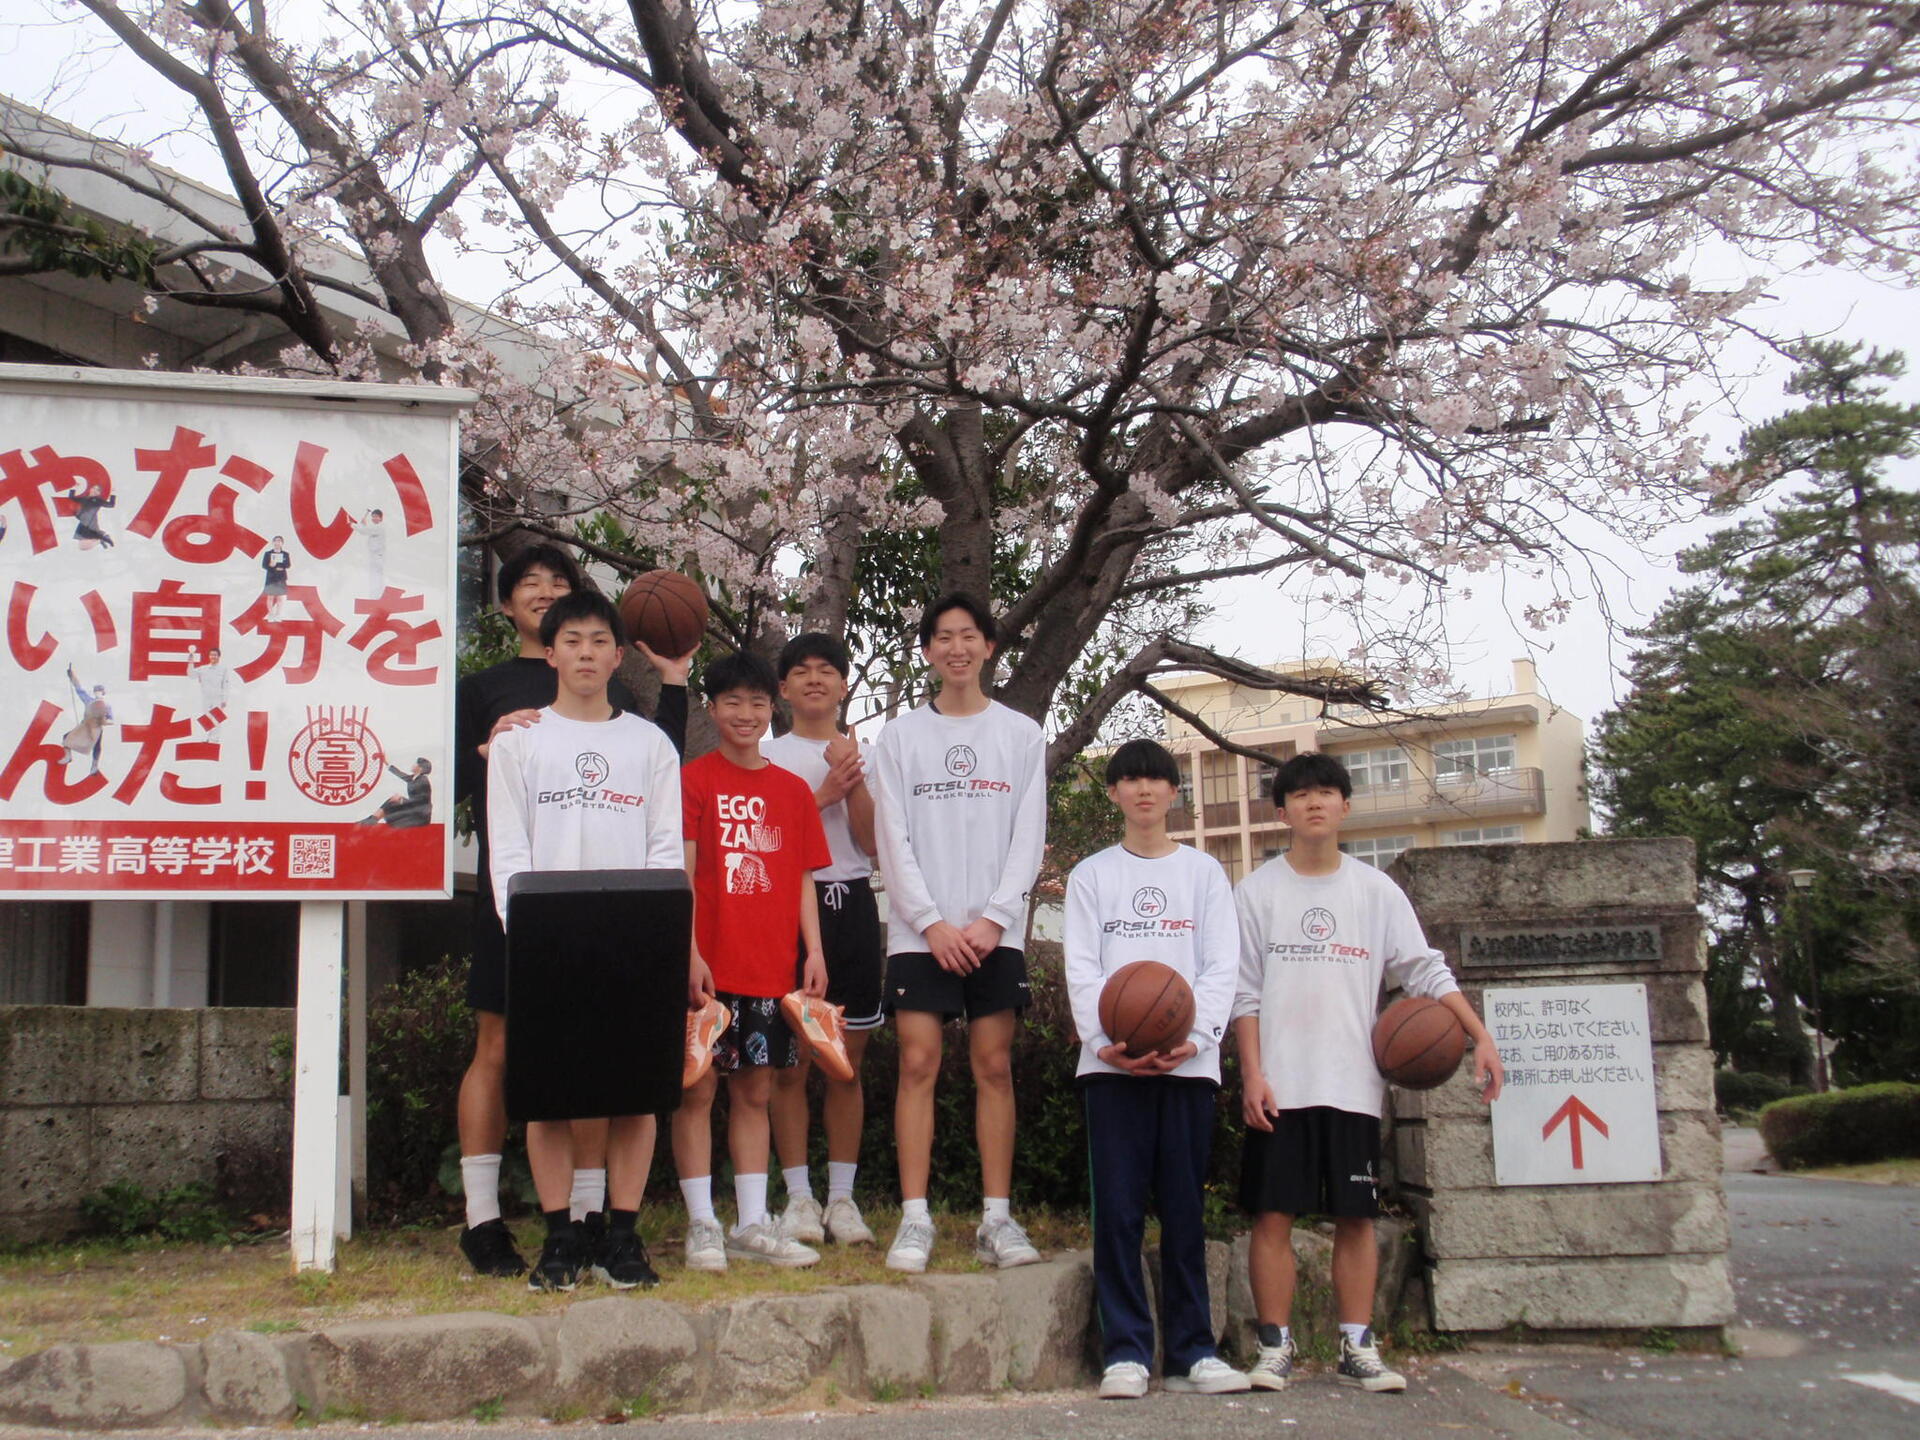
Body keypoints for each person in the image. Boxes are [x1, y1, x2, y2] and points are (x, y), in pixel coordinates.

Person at [451, 545, 690, 1280]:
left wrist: (656, 935)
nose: (586, 653)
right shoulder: (518, 740)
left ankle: (622, 1235)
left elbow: (664, 848)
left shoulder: (649, 743)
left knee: (633, 1091)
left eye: (599, 641)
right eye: (572, 640)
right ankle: (559, 1237)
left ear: (619, 656)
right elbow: (508, 851)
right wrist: (528, 931)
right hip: (543, 940)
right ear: (549, 653)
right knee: (548, 1092)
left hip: (630, 939)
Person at [1232, 751, 1505, 1393]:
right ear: (1282, 812)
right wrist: (1252, 1075)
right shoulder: (1256, 892)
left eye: (1327, 792)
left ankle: (1357, 1345)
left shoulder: (1376, 892)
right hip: (1281, 1084)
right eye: (1301, 795)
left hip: (1353, 1083)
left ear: (1346, 807)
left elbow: (1425, 970)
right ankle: (1274, 1347)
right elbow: (1244, 994)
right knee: (1272, 1215)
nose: (1315, 802)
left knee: (1356, 1218)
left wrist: (1480, 1035)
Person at [1065, 739, 1249, 1400]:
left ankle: (1193, 1352)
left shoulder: (1204, 874)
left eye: (1155, 779)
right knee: (1117, 1213)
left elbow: (1221, 965)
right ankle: (1126, 1353)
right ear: (1114, 792)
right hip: (1111, 1068)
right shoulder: (1091, 876)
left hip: (1189, 1069)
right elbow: (1082, 968)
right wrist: (1103, 1040)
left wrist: (1195, 1039)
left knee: (1183, 1212)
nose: (1143, 790)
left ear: (1175, 792)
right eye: (1130, 780)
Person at [869, 592, 1047, 1273]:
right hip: (922, 934)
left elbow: (1028, 835)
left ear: (989, 646)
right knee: (917, 1063)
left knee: (993, 1066)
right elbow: (892, 839)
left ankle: (996, 1219)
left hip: (994, 931)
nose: (956, 648)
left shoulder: (1021, 735)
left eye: (969, 635)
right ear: (927, 651)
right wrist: (931, 923)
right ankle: (915, 1219)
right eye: (943, 637)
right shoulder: (900, 738)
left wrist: (994, 918)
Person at [674, 651, 833, 1270]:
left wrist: (813, 950)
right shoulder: (694, 781)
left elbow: (802, 877)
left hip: (770, 967)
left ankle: (750, 1222)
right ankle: (701, 1223)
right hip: (708, 969)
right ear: (712, 708)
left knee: (756, 1091)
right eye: (732, 702)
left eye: (758, 702)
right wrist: (689, 952)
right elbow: (683, 876)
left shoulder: (793, 792)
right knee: (695, 1091)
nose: (745, 713)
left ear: (774, 708)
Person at [762, 632, 880, 1248]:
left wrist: (851, 778)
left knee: (845, 1065)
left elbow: (873, 844)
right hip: (785, 908)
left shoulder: (867, 754)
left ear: (843, 685)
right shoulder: (766, 755)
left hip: (851, 902)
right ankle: (799, 1199)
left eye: (826, 670)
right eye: (802, 671)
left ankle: (842, 1199)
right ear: (783, 688)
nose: (814, 680)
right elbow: (763, 843)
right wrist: (824, 793)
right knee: (790, 1064)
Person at [61, 665, 113, 775]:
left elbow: (111, 720)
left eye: (100, 691)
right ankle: (68, 756)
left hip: (96, 727)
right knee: (66, 737)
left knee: (97, 746)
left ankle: (94, 765)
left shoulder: (107, 706)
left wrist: (104, 722)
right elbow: (79, 688)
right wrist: (72, 676)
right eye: (96, 691)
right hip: (85, 725)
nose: (98, 692)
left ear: (103, 692)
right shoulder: (89, 700)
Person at [360, 757, 433, 828]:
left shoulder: (423, 781)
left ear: (420, 768)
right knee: (392, 801)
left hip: (420, 815)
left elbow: (421, 802)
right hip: (414, 809)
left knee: (394, 801)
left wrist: (402, 800)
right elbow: (399, 774)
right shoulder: (413, 778)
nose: (413, 765)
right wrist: (386, 763)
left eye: (415, 763)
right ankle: (373, 819)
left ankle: (372, 819)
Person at [357, 508, 387, 594]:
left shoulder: (379, 527)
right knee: (374, 576)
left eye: (376, 516)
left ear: (381, 518)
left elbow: (364, 531)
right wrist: (364, 525)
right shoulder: (376, 527)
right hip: (374, 556)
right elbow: (367, 530)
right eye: (373, 516)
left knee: (376, 576)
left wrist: (352, 525)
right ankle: (375, 594)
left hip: (377, 556)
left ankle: (377, 595)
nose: (374, 518)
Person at [260, 537, 291, 618]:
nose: (277, 543)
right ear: (273, 542)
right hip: (271, 578)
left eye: (279, 541)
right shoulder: (268, 553)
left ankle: (278, 615)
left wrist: (281, 566)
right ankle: (271, 615)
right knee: (270, 597)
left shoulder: (285, 554)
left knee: (280, 597)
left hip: (281, 578)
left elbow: (288, 565)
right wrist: (271, 565)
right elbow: (264, 565)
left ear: (282, 543)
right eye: (276, 541)